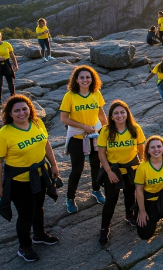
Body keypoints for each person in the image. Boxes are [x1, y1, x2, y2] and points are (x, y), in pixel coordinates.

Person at [0, 95, 61, 262]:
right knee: (26, 214)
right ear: (9, 113)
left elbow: (45, 143)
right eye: (17, 110)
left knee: (39, 207)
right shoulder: (4, 134)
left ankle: (39, 234)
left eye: (24, 109)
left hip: (39, 174)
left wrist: (53, 164)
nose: (22, 113)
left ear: (30, 109)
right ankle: (24, 247)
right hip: (19, 181)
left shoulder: (37, 123)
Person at [59, 65, 108, 213]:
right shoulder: (70, 96)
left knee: (95, 164)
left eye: (88, 77)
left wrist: (106, 129)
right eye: (82, 77)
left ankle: (96, 189)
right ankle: (70, 198)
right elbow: (64, 118)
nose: (85, 80)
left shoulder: (96, 93)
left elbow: (101, 113)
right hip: (77, 135)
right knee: (77, 168)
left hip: (94, 134)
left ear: (92, 79)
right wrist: (83, 127)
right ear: (76, 80)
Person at [97, 100, 146, 245]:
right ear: (111, 116)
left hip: (132, 168)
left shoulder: (135, 128)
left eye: (122, 112)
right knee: (110, 200)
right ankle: (104, 228)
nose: (120, 115)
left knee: (130, 194)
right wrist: (109, 172)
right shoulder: (106, 131)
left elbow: (141, 151)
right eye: (116, 113)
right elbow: (101, 154)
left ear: (127, 114)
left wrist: (143, 167)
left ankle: (129, 214)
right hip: (113, 170)